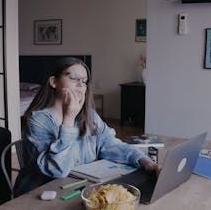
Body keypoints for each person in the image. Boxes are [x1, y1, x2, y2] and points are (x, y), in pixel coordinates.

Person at [14, 57, 160, 196]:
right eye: (74, 79)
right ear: (54, 82)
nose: (80, 85)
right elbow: (57, 171)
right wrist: (69, 118)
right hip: (41, 193)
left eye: (84, 81)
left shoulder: (90, 115)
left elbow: (110, 144)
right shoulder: (38, 120)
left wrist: (145, 161)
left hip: (81, 187)